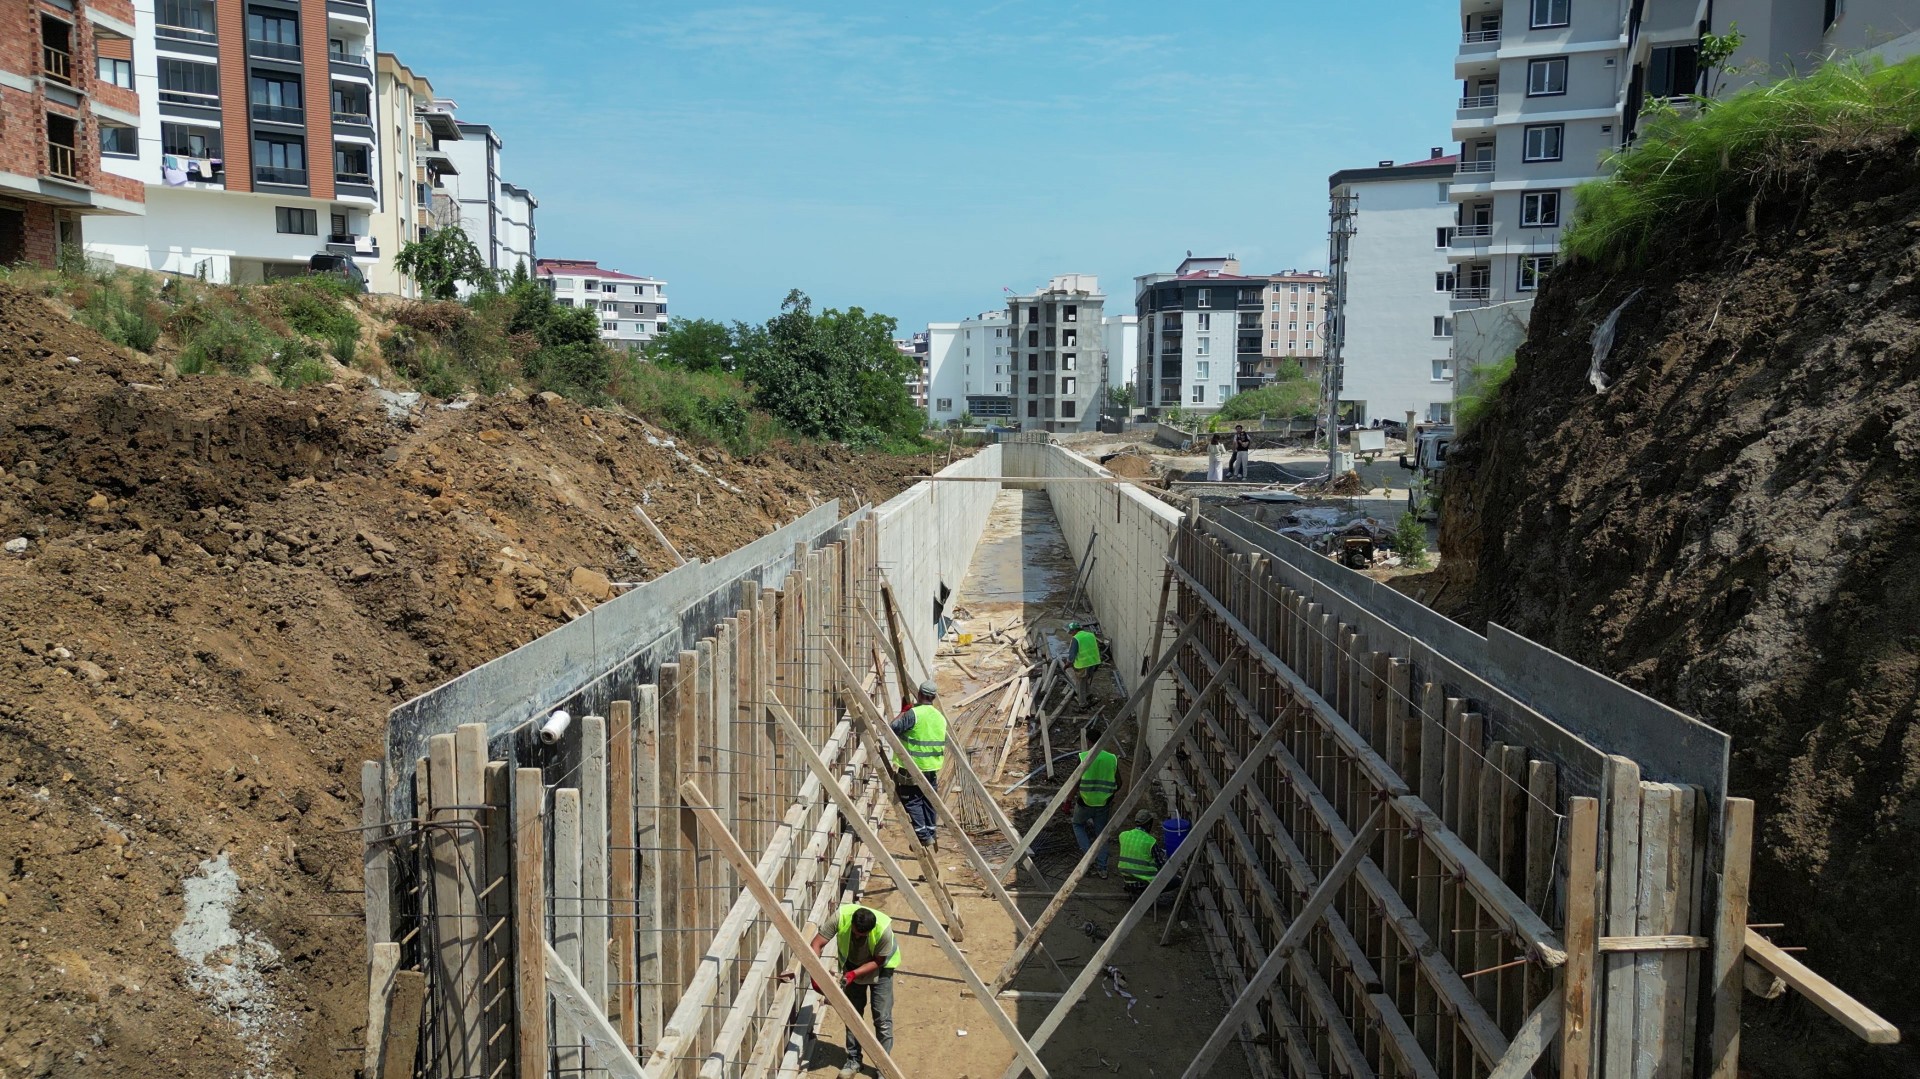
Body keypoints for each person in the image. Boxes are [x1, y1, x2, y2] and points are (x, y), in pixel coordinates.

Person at [811, 903, 901, 1078]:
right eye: (856, 933)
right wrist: (815, 974)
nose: (858, 937)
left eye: (863, 935)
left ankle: (884, 1067)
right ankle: (853, 1060)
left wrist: (854, 974)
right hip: (852, 965)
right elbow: (816, 944)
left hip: (881, 970)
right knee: (852, 1014)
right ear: (852, 923)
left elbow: (878, 961)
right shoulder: (840, 917)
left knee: (882, 1018)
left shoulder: (883, 931)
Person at [890, 680, 947, 850]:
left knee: (912, 801)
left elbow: (893, 728)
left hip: (912, 768)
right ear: (934, 697)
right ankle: (930, 832)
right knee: (929, 801)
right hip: (931, 768)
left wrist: (903, 712)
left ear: (920, 695)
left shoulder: (914, 714)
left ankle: (923, 836)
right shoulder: (940, 717)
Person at [1072, 740, 1120, 878]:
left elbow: (1075, 782)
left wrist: (1068, 801)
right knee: (1101, 834)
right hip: (1104, 804)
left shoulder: (1083, 757)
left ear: (1088, 741)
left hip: (1085, 802)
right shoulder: (1111, 758)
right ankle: (1102, 868)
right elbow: (1119, 783)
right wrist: (1109, 795)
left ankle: (1088, 858)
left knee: (1077, 824)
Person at [1116, 810, 1165, 894]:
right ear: (1149, 824)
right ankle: (1148, 895)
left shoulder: (1123, 835)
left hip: (1128, 882)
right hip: (1145, 883)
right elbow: (1162, 867)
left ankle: (1134, 893)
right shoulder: (1151, 841)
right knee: (1175, 881)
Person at [1067, 622, 1102, 705]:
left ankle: (1082, 703)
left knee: (1080, 684)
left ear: (1075, 630)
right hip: (1094, 663)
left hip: (1083, 665)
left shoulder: (1076, 638)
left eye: (1072, 632)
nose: (1071, 634)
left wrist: (1067, 664)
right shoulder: (1091, 635)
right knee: (1085, 680)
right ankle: (1089, 695)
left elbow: (1072, 655)